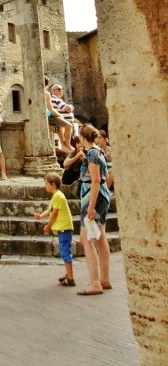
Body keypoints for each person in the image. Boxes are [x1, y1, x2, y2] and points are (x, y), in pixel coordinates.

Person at [76, 123, 112, 296]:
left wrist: (90, 207)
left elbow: (95, 180)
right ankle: (104, 279)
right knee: (100, 237)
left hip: (93, 197)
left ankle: (95, 283)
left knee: (86, 239)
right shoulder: (98, 151)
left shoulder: (92, 154)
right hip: (102, 196)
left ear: (83, 137)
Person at [34, 173, 75, 286]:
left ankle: (71, 278)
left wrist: (48, 226)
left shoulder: (58, 196)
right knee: (64, 251)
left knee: (65, 251)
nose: (45, 186)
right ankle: (68, 274)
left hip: (64, 228)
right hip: (63, 228)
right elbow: (49, 210)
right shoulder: (56, 196)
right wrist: (40, 216)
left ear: (53, 184)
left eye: (46, 183)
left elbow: (54, 214)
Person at [48, 81, 75, 153]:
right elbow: (68, 109)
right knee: (68, 126)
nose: (61, 91)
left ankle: (64, 146)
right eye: (59, 89)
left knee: (62, 128)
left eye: (62, 89)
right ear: (53, 91)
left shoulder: (55, 99)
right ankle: (67, 145)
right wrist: (71, 107)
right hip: (60, 120)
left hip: (59, 120)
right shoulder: (56, 100)